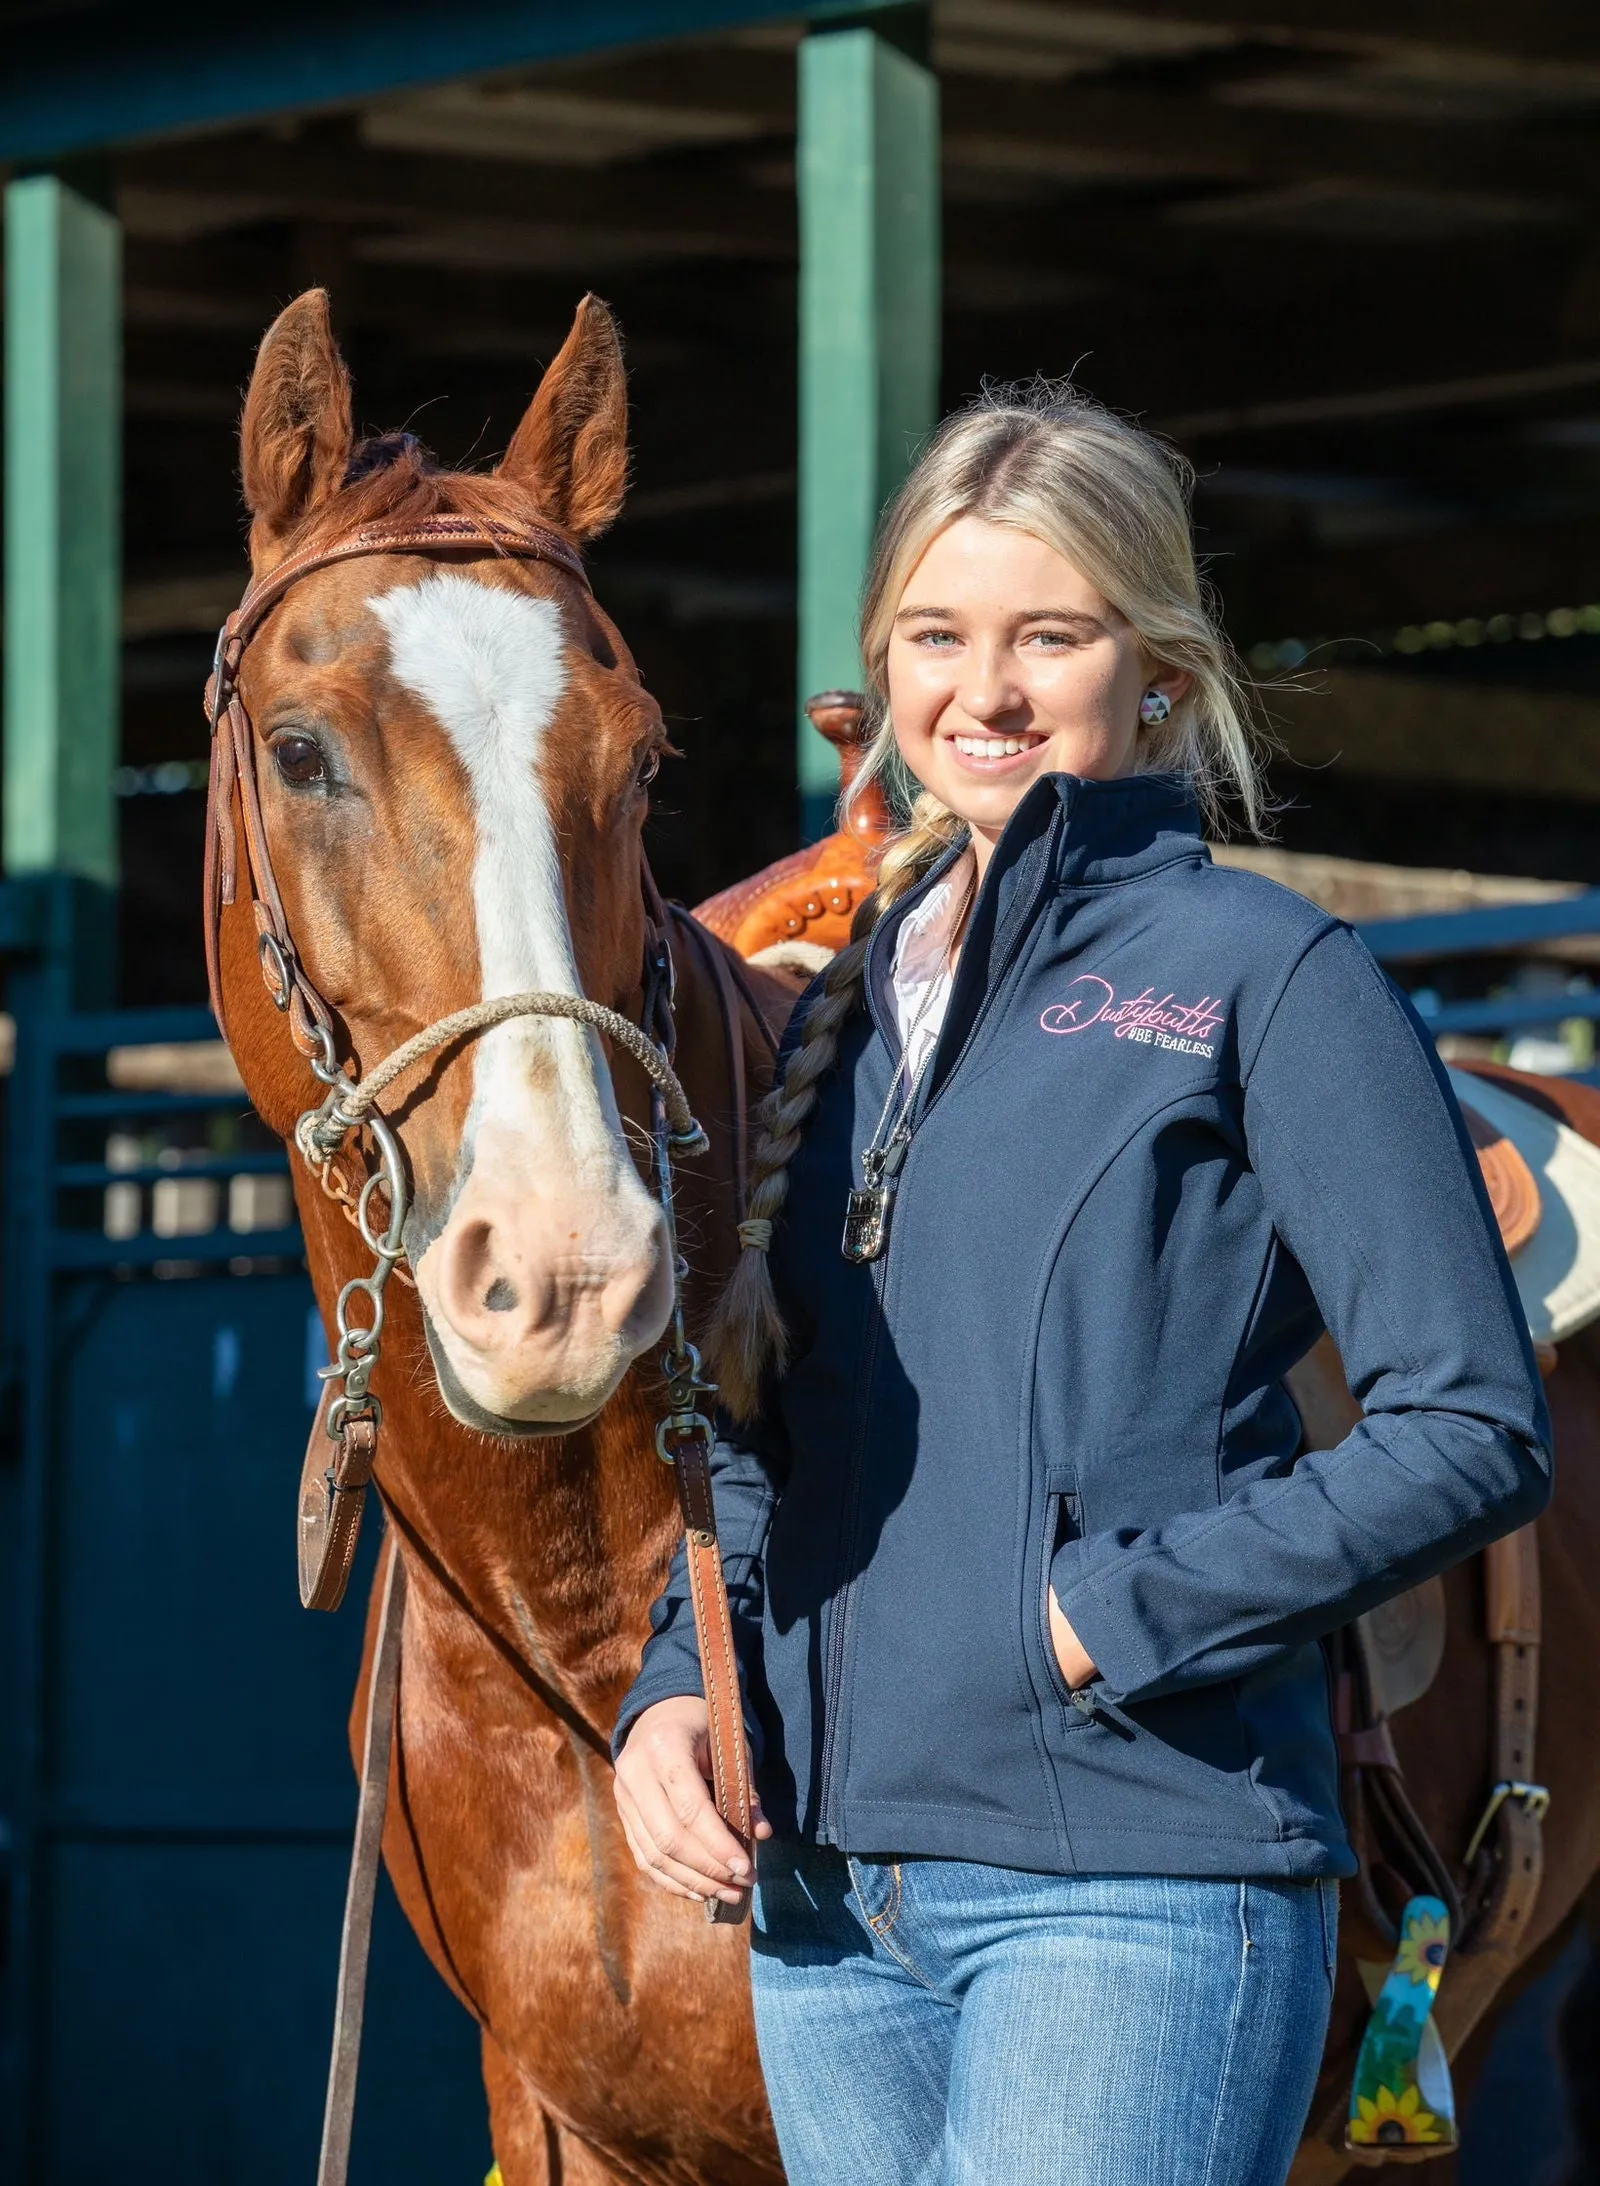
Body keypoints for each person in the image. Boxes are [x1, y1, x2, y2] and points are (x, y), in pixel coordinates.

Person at [612, 382, 1551, 2186]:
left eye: (1052, 633)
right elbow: (760, 1436)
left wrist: (1116, 1611)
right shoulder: (847, 1021)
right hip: (828, 1912)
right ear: (883, 667)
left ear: (1160, 672)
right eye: (938, 635)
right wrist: (682, 1686)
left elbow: (1471, 1428)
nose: (989, 688)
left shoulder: (1264, 975)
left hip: (1133, 1884)